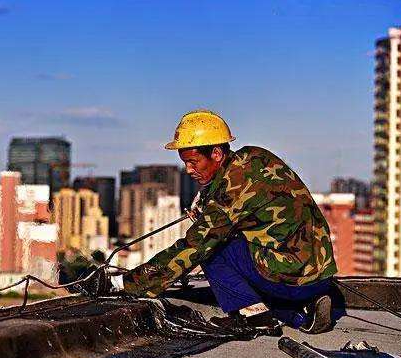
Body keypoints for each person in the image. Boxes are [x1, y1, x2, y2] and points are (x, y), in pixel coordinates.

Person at [78, 109, 337, 334]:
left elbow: (193, 247)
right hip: (318, 273)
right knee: (236, 245)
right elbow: (252, 204)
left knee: (212, 249)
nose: (189, 170)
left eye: (193, 162)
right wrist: (209, 201)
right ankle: (302, 312)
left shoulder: (231, 193)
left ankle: (253, 316)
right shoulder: (255, 156)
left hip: (291, 278)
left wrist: (124, 284)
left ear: (215, 153)